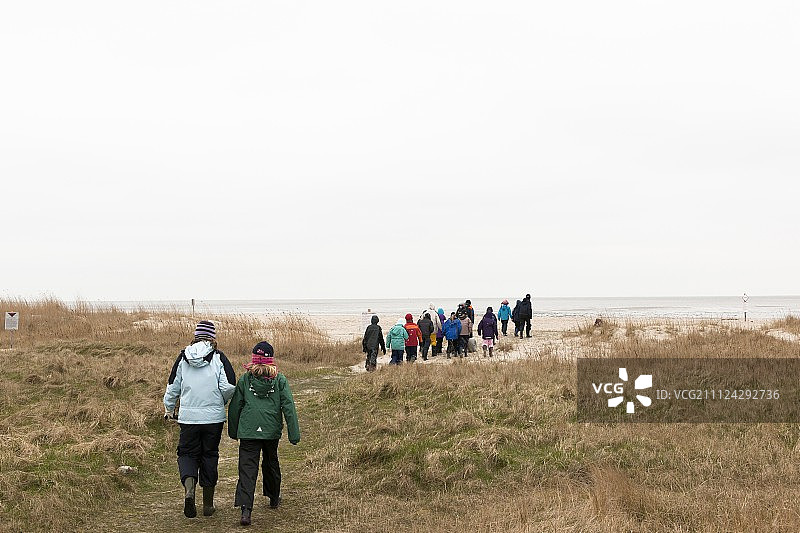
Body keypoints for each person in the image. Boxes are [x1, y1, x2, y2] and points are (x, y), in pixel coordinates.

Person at [163, 320, 237, 519]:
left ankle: (189, 491)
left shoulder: (183, 357)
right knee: (209, 455)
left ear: (195, 336)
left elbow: (172, 386)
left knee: (187, 454)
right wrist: (220, 402)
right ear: (212, 337)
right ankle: (208, 505)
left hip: (188, 419)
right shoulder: (219, 357)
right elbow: (229, 386)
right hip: (213, 419)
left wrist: (169, 409)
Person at [228, 342, 300, 526]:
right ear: (271, 360)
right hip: (271, 430)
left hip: (248, 431)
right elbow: (288, 406)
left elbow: (235, 406)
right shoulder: (280, 379)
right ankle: (274, 497)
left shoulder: (245, 379)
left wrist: (233, 431)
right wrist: (293, 434)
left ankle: (246, 510)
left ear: (253, 360)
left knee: (247, 468)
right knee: (270, 462)